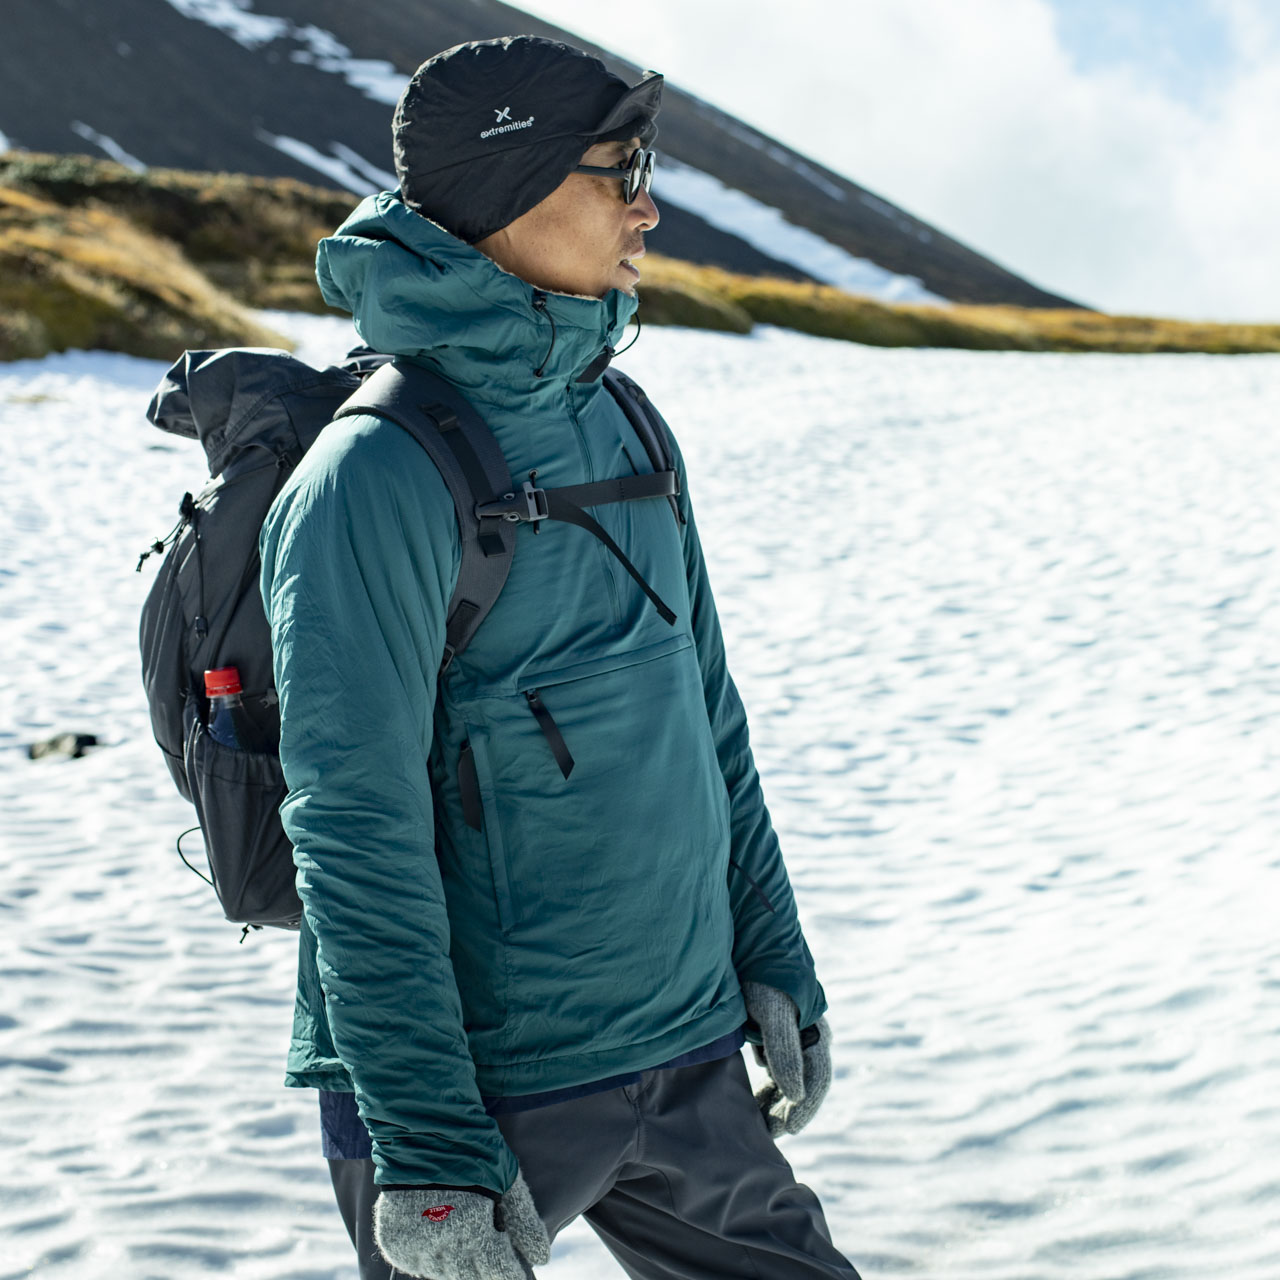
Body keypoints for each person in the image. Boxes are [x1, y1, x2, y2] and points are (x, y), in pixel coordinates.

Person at [259, 34, 859, 1280]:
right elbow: (350, 825)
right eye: (619, 170)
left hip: (685, 1048)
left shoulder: (623, 410)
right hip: (479, 1098)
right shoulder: (372, 476)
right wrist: (426, 1146)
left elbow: (706, 714)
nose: (649, 204)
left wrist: (771, 953)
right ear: (508, 188)